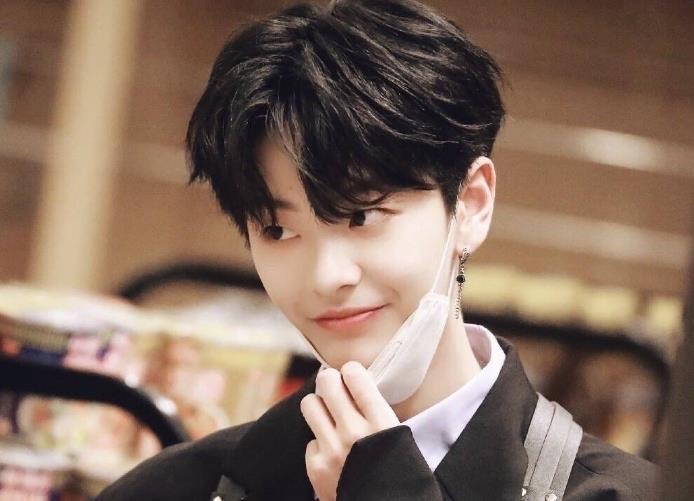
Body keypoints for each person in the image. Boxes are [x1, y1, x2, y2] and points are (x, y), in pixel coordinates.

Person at [97, 0, 657, 499]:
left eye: (361, 215)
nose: (326, 275)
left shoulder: (624, 493)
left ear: (471, 205)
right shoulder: (181, 486)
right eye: (277, 230)